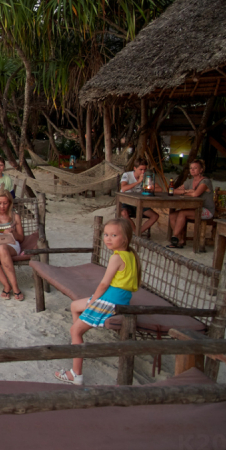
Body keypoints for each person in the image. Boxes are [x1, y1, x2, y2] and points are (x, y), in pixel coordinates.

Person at [54, 218, 140, 385]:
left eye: (114, 235)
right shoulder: (130, 255)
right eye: (106, 234)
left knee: (75, 331)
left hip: (109, 300)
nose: (108, 238)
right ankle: (76, 341)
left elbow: (103, 284)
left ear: (125, 238)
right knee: (74, 306)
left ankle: (76, 374)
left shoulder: (116, 258)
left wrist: (93, 300)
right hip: (118, 298)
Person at [168, 159, 214, 249]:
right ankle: (180, 240)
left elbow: (195, 194)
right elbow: (173, 191)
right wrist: (187, 191)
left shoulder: (205, 181)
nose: (192, 170)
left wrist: (187, 192)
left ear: (201, 170)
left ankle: (174, 237)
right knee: (172, 215)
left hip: (206, 210)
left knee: (182, 213)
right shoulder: (189, 182)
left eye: (195, 168)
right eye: (191, 168)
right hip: (193, 209)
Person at [119, 158, 160, 234]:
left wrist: (147, 187)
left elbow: (159, 189)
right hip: (127, 202)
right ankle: (135, 230)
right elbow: (123, 188)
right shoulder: (127, 175)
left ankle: (139, 232)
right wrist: (138, 182)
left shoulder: (146, 177)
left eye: (144, 169)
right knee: (124, 213)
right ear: (135, 168)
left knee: (155, 216)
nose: (143, 172)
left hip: (140, 203)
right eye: (141, 169)